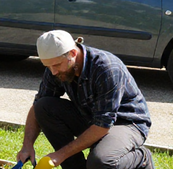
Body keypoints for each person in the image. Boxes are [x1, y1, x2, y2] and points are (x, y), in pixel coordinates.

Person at [17, 30, 154, 169]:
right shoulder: (56, 67)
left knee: (100, 162)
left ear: (73, 53)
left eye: (57, 65)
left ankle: (141, 158)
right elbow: (37, 106)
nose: (53, 72)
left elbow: (103, 124)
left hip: (126, 123)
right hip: (93, 118)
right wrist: (27, 145)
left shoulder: (107, 68)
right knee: (43, 107)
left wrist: (60, 154)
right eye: (48, 66)